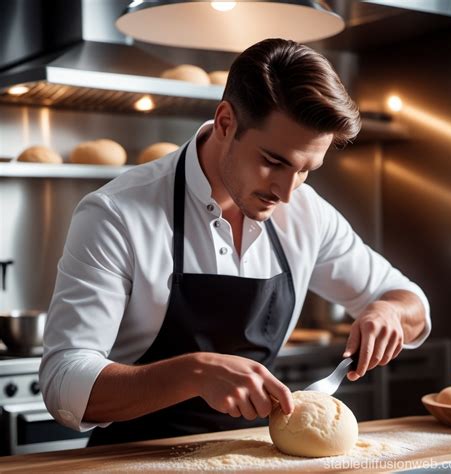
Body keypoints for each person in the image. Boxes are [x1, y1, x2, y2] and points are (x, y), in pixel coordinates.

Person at [39, 38, 431, 446]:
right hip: (134, 460)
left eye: (305, 170)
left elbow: (412, 303)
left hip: (255, 457)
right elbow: (63, 383)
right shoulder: (116, 214)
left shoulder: (306, 213)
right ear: (226, 122)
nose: (286, 192)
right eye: (273, 162)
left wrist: (387, 311)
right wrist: (192, 372)